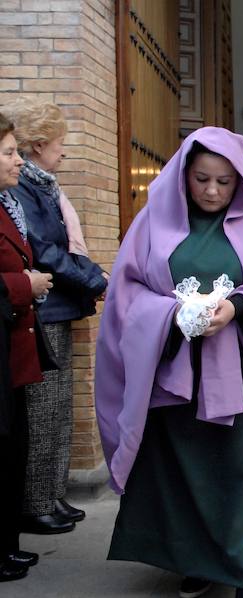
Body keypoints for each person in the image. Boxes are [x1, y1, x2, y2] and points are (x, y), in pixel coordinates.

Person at [94, 127, 243, 597]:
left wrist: (241, 305)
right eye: (201, 180)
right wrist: (171, 315)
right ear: (183, 176)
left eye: (224, 182)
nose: (212, 191)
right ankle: (197, 560)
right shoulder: (153, 221)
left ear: (242, 180)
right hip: (175, 375)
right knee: (186, 474)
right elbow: (128, 294)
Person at [5, 99, 108, 534]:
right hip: (43, 310)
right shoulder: (23, 189)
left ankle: (53, 493)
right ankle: (36, 501)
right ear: (40, 144)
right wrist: (93, 278)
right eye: (61, 143)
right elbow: (44, 250)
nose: (64, 152)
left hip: (59, 306)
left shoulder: (42, 184)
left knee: (60, 409)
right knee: (43, 411)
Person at [0, 112, 53, 582]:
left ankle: (6, 544)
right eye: (8, 152)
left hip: (13, 348)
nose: (17, 160)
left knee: (14, 444)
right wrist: (24, 284)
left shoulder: (5, 204)